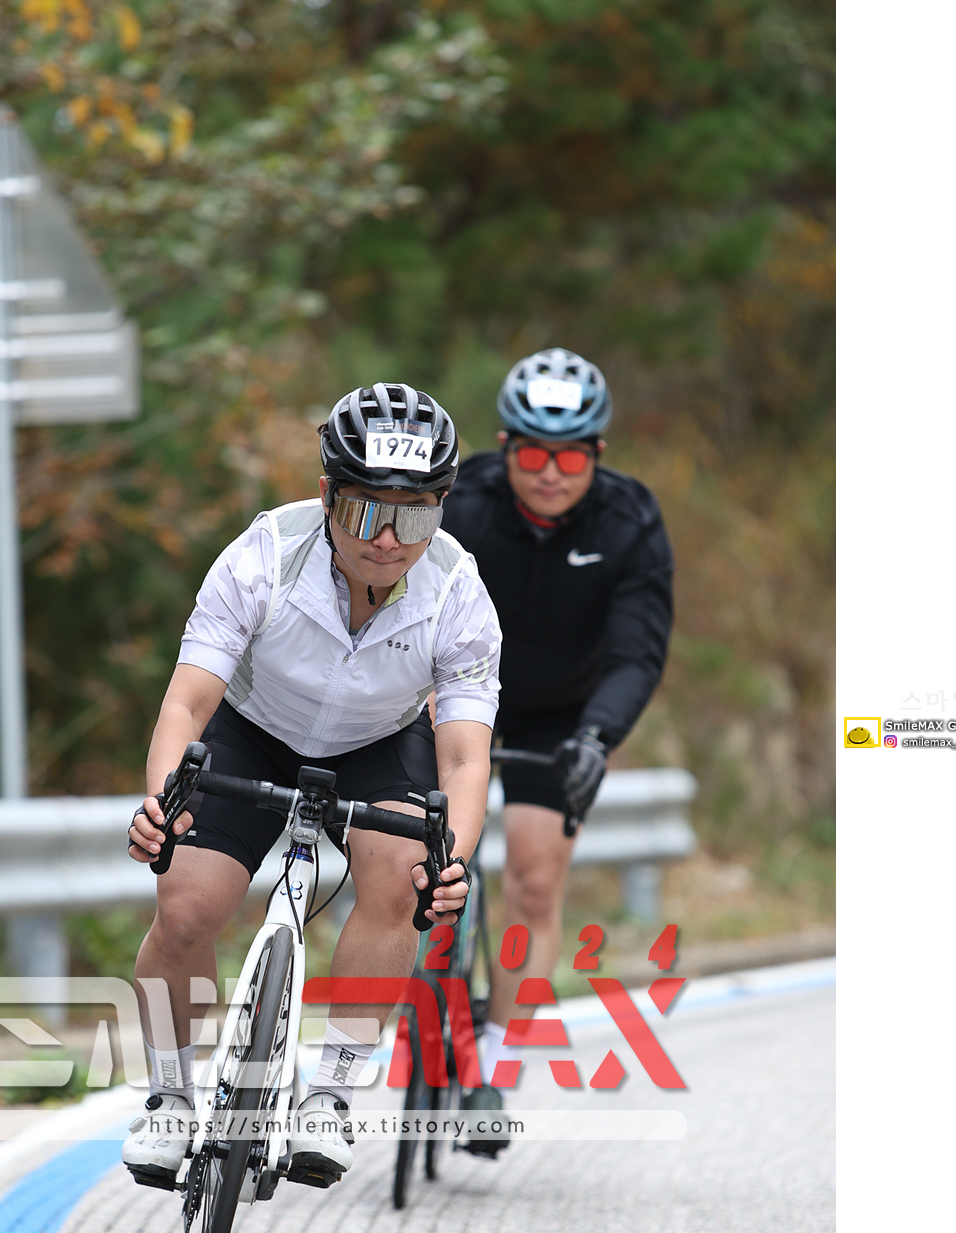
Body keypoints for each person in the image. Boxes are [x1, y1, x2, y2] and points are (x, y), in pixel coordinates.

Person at [122, 383, 501, 1189]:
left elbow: (466, 758)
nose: (389, 540)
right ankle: (168, 1097)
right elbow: (187, 704)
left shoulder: (459, 591)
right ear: (328, 494)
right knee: (187, 905)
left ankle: (330, 1094)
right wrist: (164, 802)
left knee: (404, 873)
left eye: (415, 518)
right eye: (367, 512)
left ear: (440, 510)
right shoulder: (264, 554)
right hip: (253, 730)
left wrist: (452, 860)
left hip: (378, 743)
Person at [441, 348, 673, 1153]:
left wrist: (597, 738)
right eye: (532, 455)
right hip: (455, 691)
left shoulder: (629, 520)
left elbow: (637, 654)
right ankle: (421, 985)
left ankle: (495, 1069)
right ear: (506, 446)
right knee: (413, 855)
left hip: (563, 714)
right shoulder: (461, 504)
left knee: (535, 880)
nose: (549, 473)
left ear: (597, 454)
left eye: (570, 458)